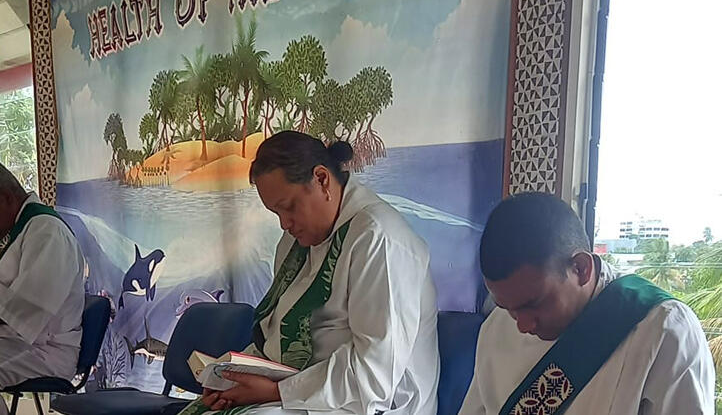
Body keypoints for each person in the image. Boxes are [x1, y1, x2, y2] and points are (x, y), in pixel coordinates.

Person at [183, 131, 440, 415]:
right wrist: (230, 380)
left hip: (370, 404)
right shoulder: (295, 243)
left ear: (321, 179)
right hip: (298, 391)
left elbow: (377, 376)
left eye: (289, 207)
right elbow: (277, 339)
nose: (284, 224)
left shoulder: (379, 239)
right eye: (276, 213)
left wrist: (277, 391)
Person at [459, 192, 715, 415]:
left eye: (533, 304)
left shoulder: (664, 330)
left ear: (581, 268)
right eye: (508, 309)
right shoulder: (495, 326)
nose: (522, 325)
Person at [0, 160, 85, 415]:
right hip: (10, 339)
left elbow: (22, 308)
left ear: (6, 197)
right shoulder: (6, 235)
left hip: (46, 349)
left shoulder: (48, 232)